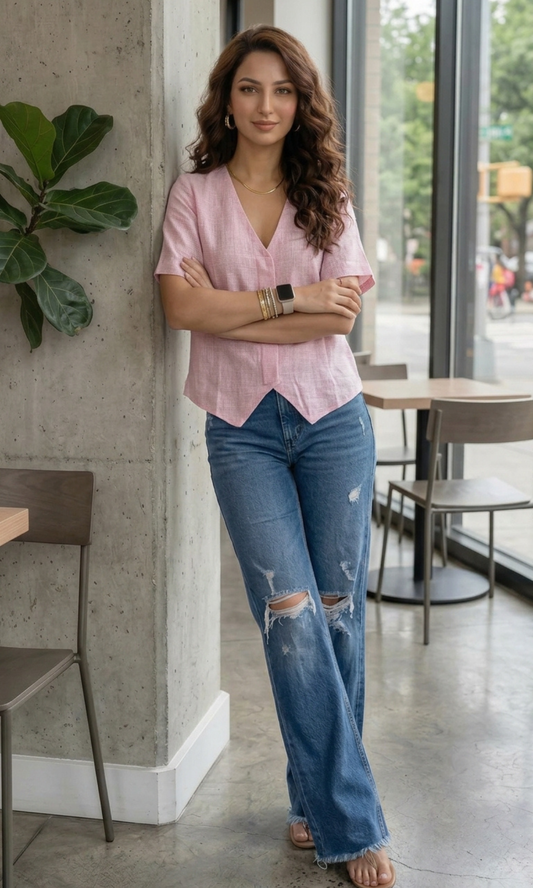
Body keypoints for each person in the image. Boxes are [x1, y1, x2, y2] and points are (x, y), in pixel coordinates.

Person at [155, 25, 395, 888]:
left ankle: (314, 800)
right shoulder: (194, 195)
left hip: (332, 420)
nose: (266, 105)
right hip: (240, 428)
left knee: (336, 612)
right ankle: (353, 826)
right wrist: (289, 297)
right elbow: (181, 310)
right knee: (289, 613)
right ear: (227, 100)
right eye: (250, 88)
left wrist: (236, 306)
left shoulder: (326, 193)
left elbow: (340, 320)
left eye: (283, 91)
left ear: (301, 103)